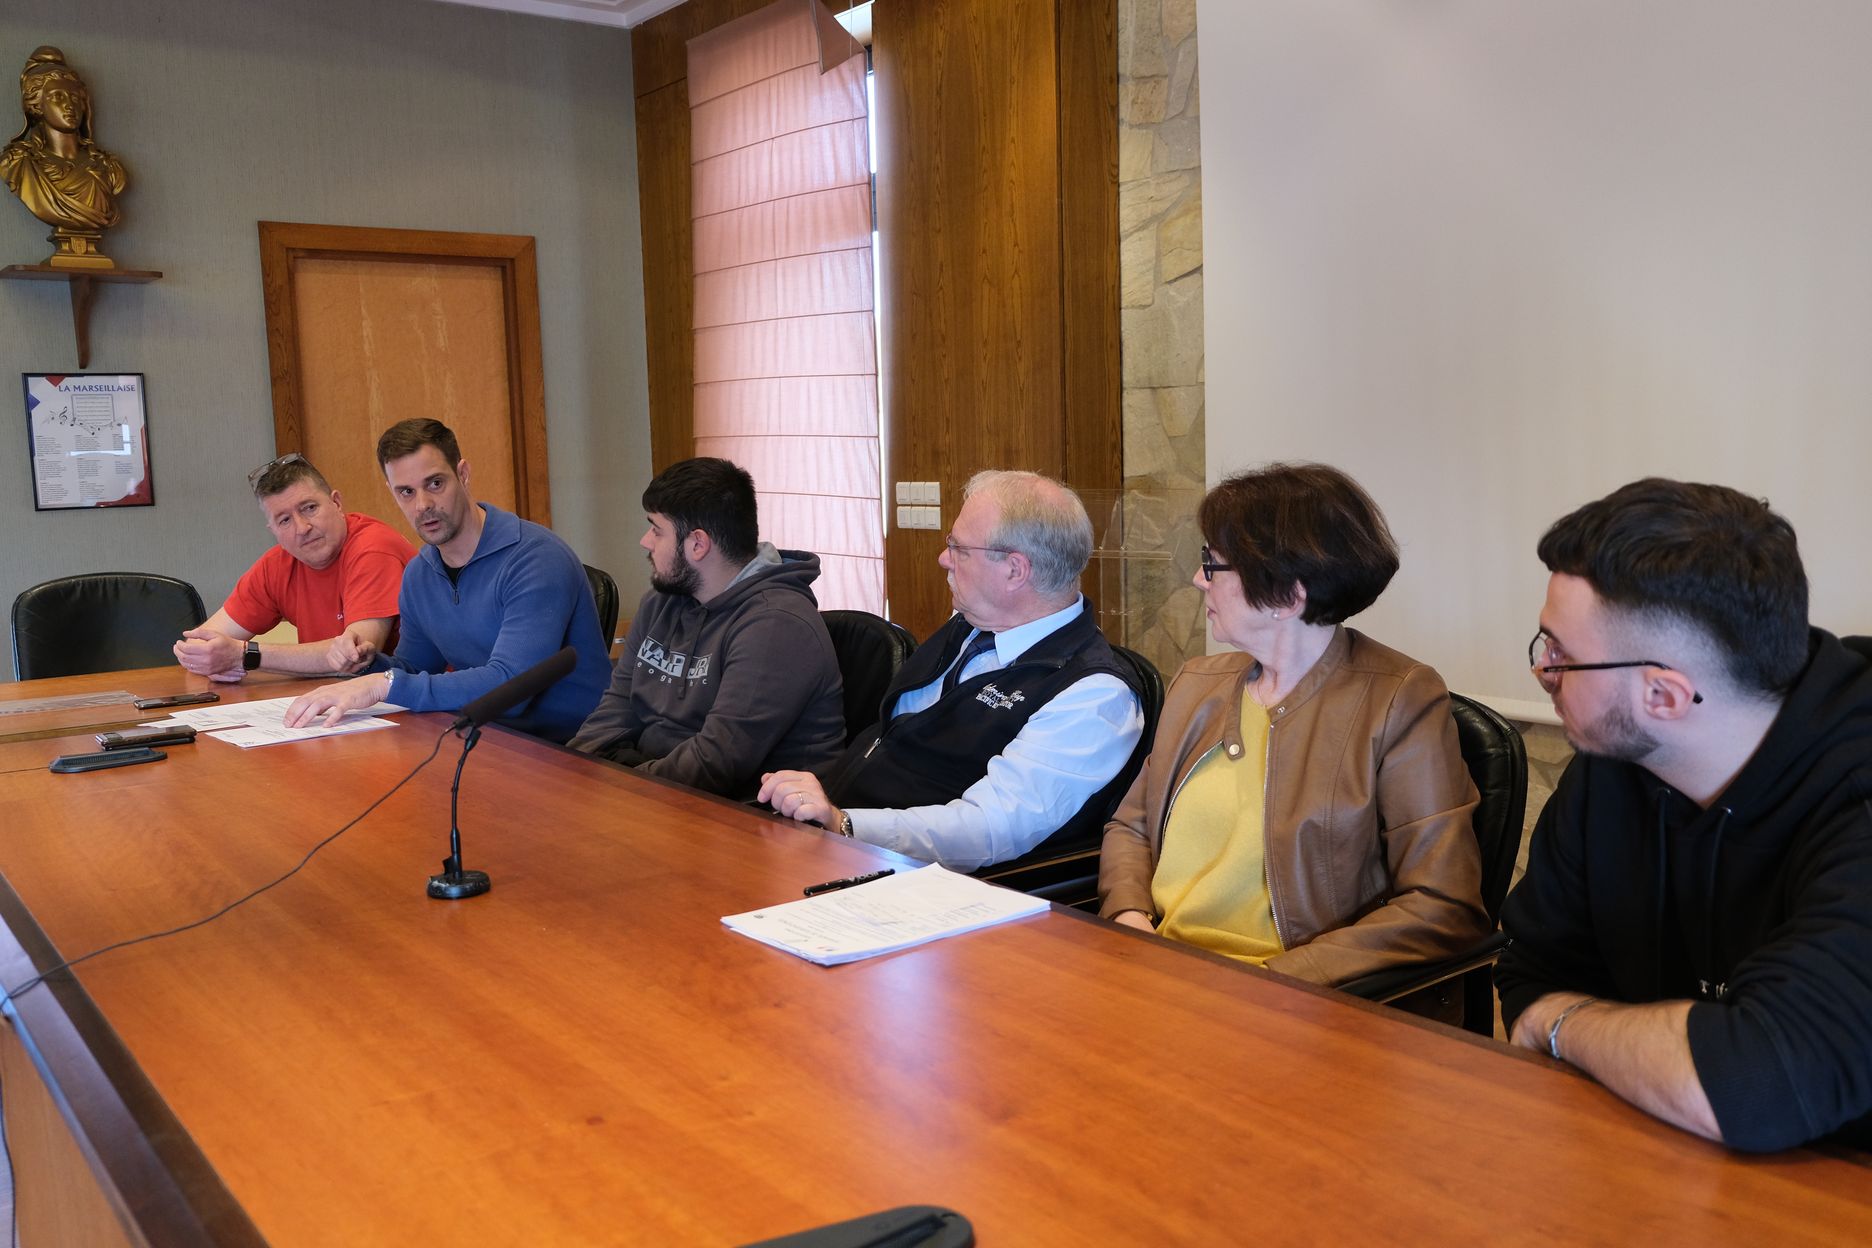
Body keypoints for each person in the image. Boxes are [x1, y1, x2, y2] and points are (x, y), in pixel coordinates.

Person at [1495, 478, 1872, 1152]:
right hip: (1656, 1151)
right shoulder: (1614, 763)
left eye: (1561, 655)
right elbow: (1533, 972)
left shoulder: (1857, 793)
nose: (1542, 673)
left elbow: (1756, 1082)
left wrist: (1564, 1027)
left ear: (1664, 696)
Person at [1098, 463, 1488, 994]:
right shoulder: (1198, 682)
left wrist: (1271, 982)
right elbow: (1132, 828)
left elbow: (1442, 904)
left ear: (1287, 594)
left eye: (1212, 564)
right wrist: (1130, 921)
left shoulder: (1399, 699)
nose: (1198, 579)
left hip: (1289, 996)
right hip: (1157, 970)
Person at [759, 470, 1144, 871]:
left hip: (918, 878)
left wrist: (844, 823)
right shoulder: (973, 624)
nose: (944, 559)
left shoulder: (1095, 696)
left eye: (959, 548)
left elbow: (991, 827)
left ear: (1015, 570)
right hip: (837, 837)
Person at [284, 419, 610, 743]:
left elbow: (511, 686)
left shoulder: (537, 558)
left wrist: (385, 685)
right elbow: (415, 668)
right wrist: (365, 664)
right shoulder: (419, 574)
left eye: (435, 484)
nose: (423, 505)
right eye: (406, 492)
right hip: (486, 739)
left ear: (463, 474)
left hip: (573, 748)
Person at [568, 457, 844, 798]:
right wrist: (578, 774)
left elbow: (716, 762)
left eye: (656, 530)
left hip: (747, 811)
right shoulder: (660, 603)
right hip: (658, 790)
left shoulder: (778, 625)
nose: (645, 541)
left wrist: (620, 790)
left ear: (698, 544)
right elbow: (616, 708)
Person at [173, 453, 415, 682]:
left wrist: (245, 655)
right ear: (274, 531)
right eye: (285, 520)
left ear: (337, 503)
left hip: (410, 699)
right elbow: (197, 646)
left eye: (309, 508)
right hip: (336, 696)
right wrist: (212, 661)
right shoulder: (277, 565)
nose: (302, 528)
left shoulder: (373, 549)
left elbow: (355, 656)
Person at [1, 46, 127, 266]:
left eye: (75, 97)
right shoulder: (19, 164)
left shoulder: (109, 167)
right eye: (57, 97)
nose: (69, 105)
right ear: (36, 105)